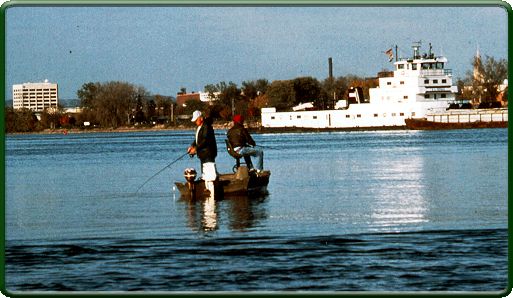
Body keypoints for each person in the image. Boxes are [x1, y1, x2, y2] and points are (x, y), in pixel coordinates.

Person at [187, 110, 218, 188]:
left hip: (208, 153)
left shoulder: (206, 126)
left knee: (210, 173)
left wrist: (196, 148)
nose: (195, 122)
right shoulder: (200, 127)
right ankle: (206, 185)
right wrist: (192, 146)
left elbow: (205, 140)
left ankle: (211, 186)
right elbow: (197, 139)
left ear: (201, 118)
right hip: (203, 153)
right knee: (205, 172)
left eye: (196, 120)